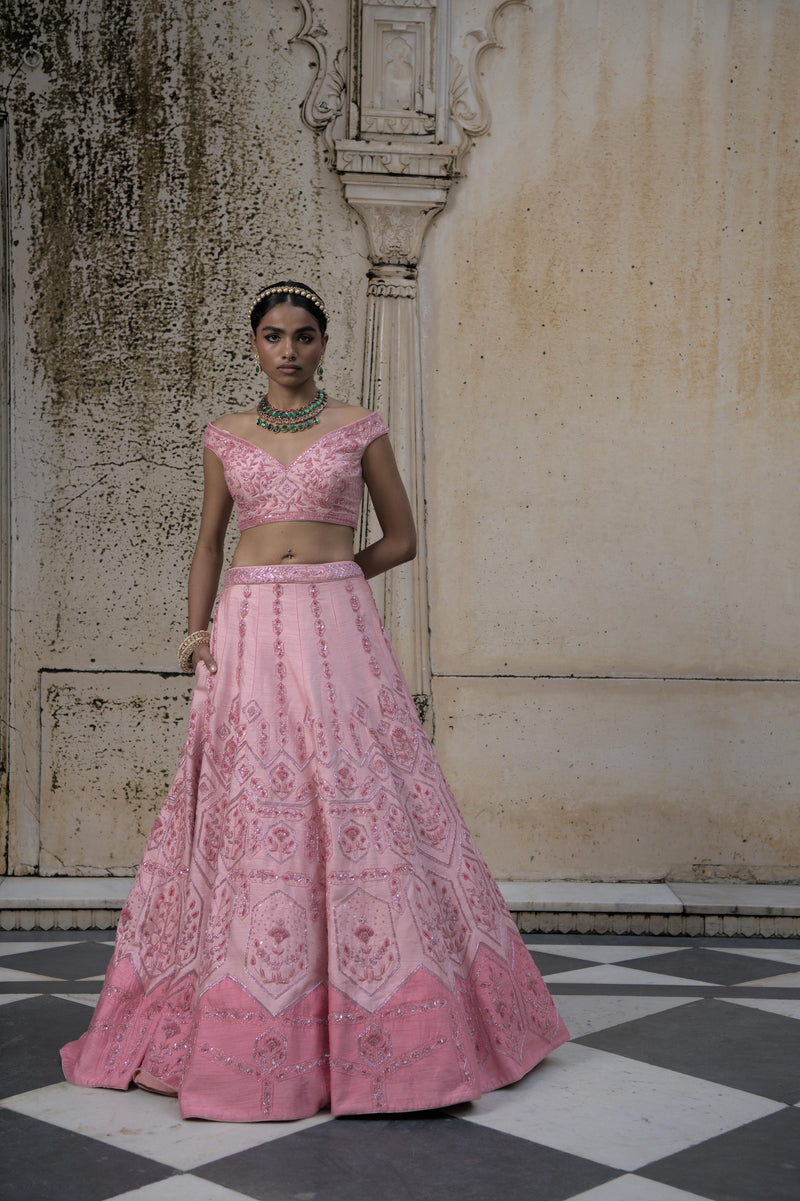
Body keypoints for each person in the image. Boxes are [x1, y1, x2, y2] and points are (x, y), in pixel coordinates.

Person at [61, 281, 568, 1121]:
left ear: (323, 344)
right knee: (261, 802)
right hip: (249, 624)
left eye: (303, 335)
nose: (288, 350)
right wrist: (198, 634)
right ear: (254, 345)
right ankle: (253, 1019)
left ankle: (401, 1033)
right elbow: (209, 541)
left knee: (359, 793)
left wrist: (335, 577)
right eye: (272, 335)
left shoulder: (358, 426)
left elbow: (401, 537)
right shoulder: (225, 435)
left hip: (337, 630)